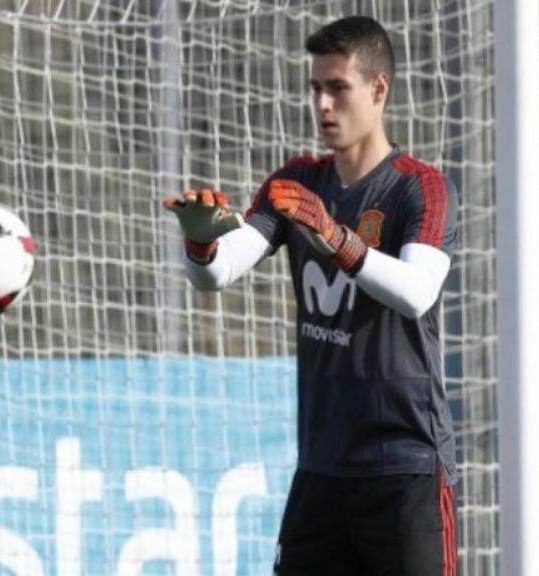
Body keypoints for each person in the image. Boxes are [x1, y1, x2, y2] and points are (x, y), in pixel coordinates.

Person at [163, 15, 459, 576]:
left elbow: (418, 292)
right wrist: (200, 244)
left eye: (338, 88)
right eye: (316, 88)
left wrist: (337, 240)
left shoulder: (421, 187)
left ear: (378, 89)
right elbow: (220, 273)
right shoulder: (297, 184)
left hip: (406, 469)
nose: (323, 105)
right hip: (322, 471)